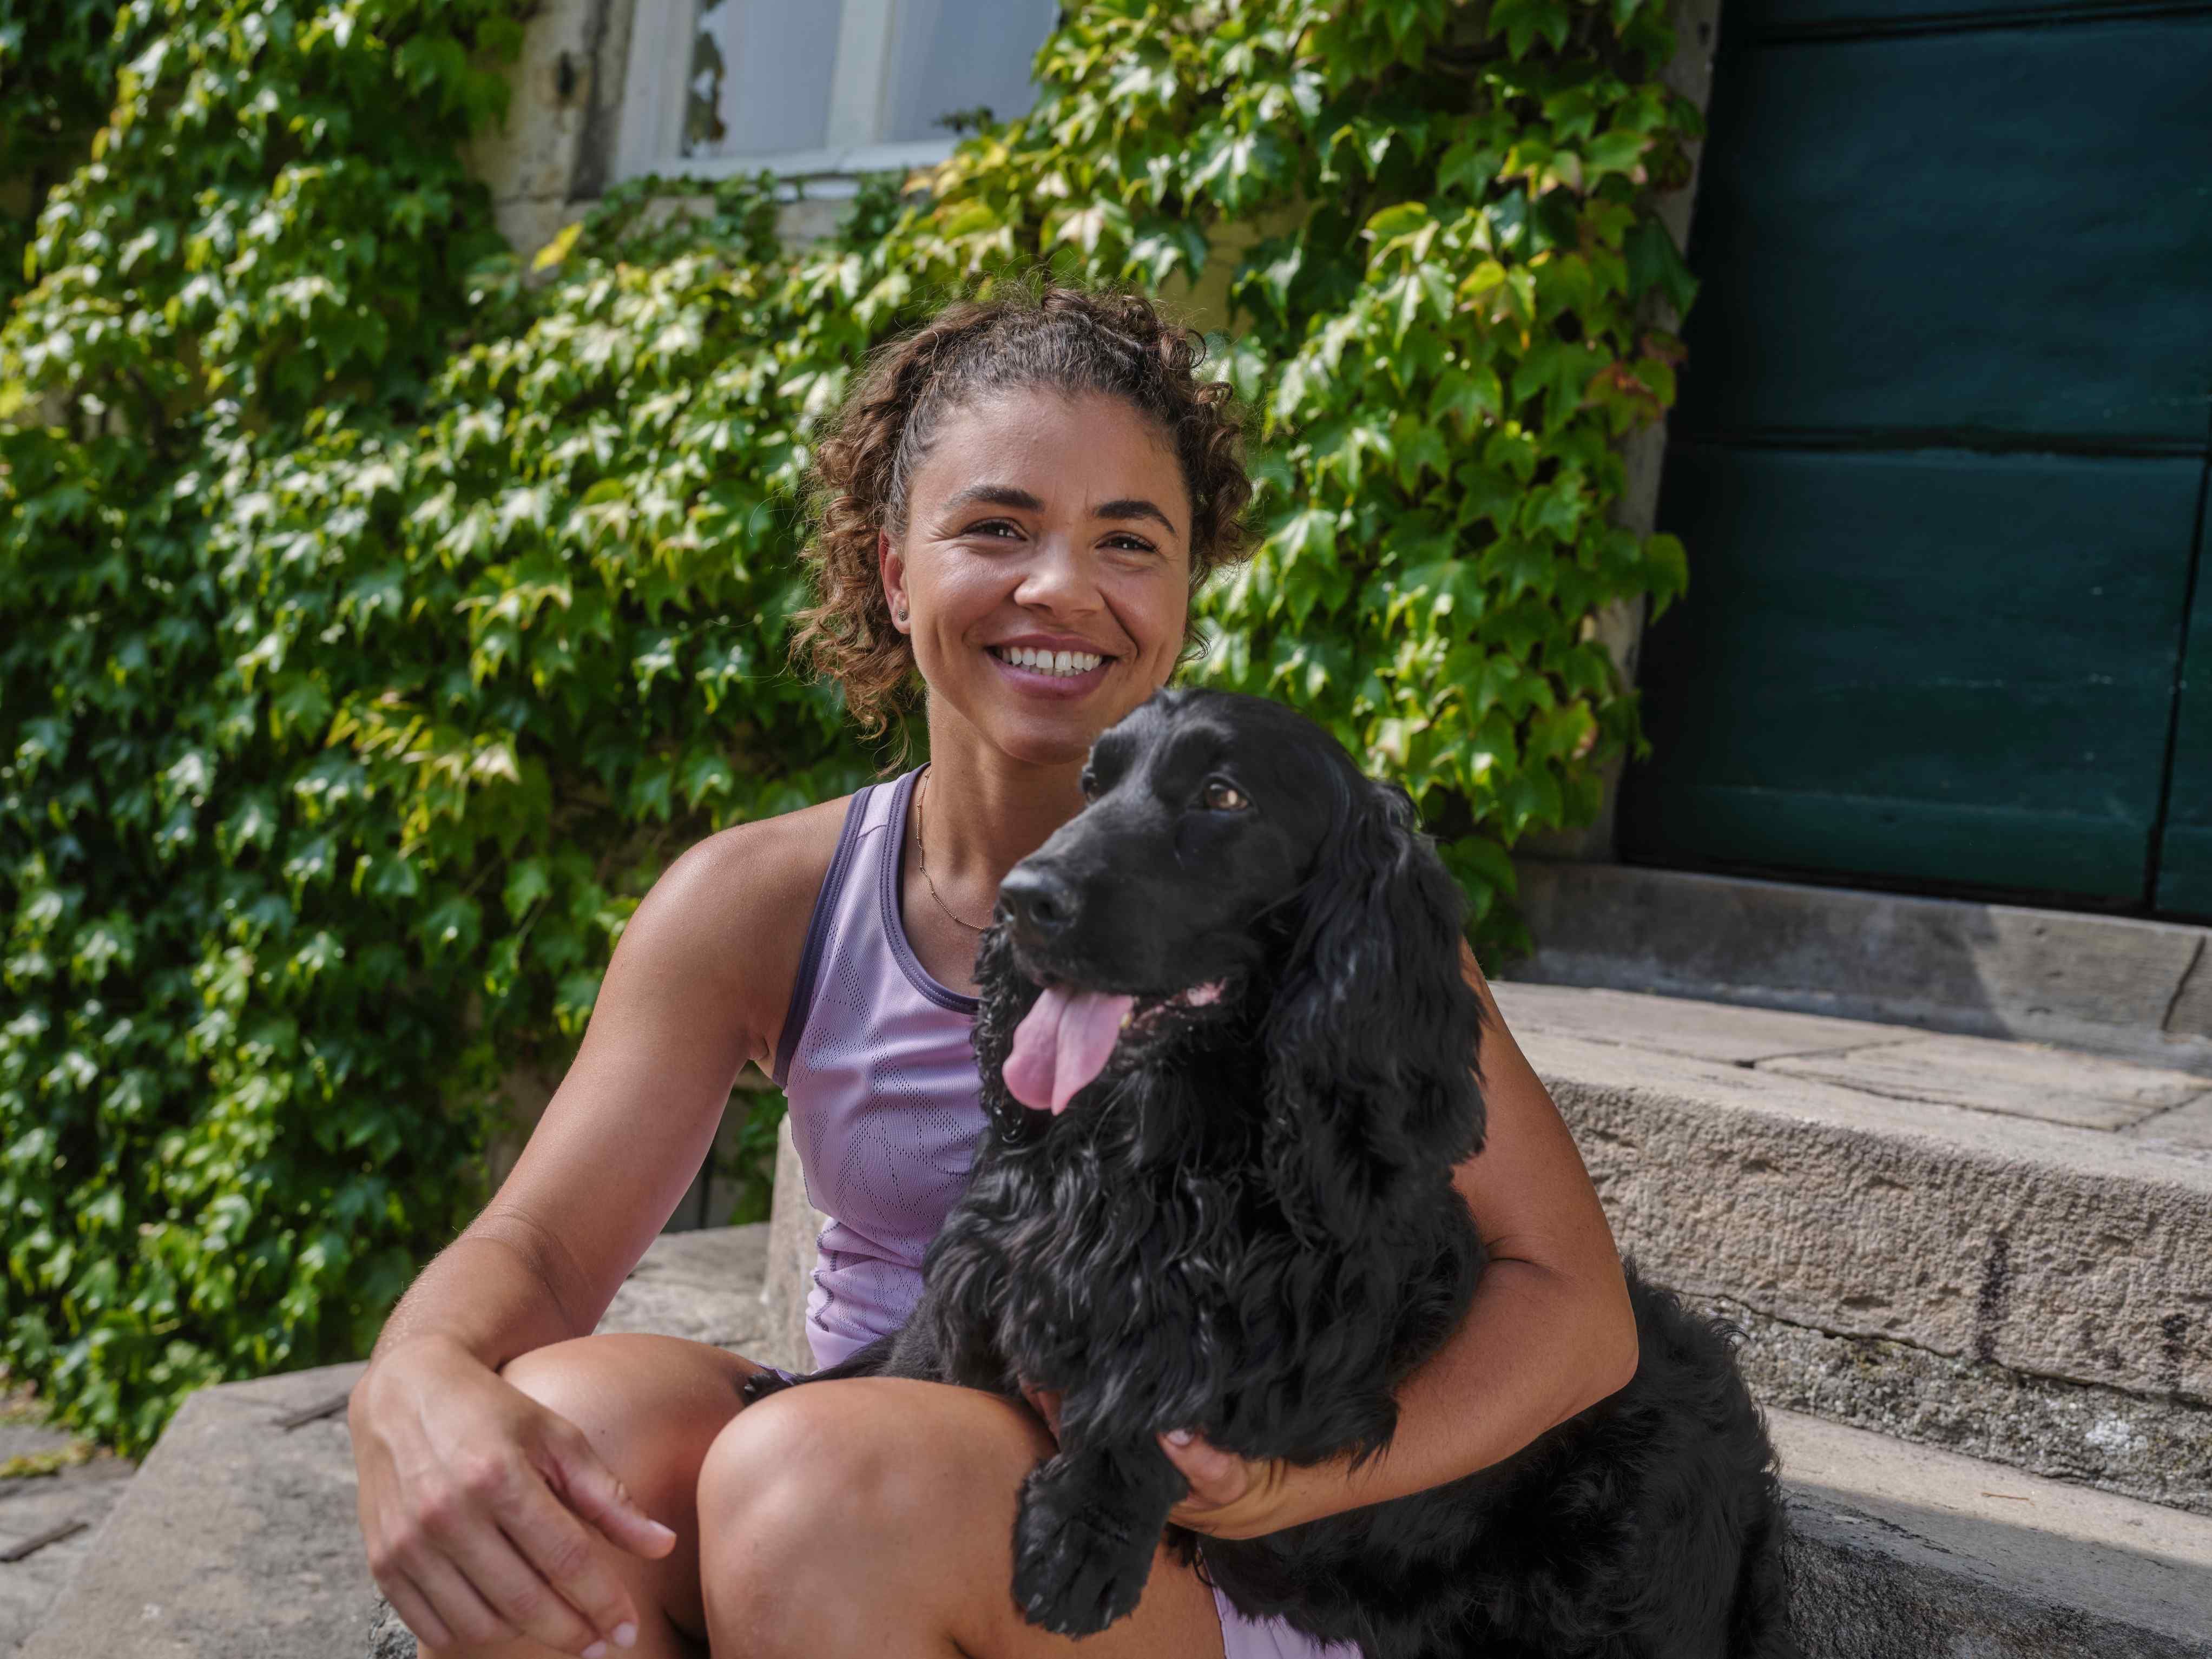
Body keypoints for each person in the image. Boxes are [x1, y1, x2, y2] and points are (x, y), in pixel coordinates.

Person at [347, 286, 1640, 1659]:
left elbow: (1574, 1308)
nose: (1061, 588)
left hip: (1192, 1555)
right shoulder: (760, 903)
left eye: (1127, 543)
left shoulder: (1305, 895)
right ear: (894, 569)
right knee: (566, 1439)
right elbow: (539, 1249)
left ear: (1183, 592)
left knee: (818, 1490)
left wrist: (1295, 1488)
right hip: (867, 1440)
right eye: (997, 528)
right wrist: (412, 1378)